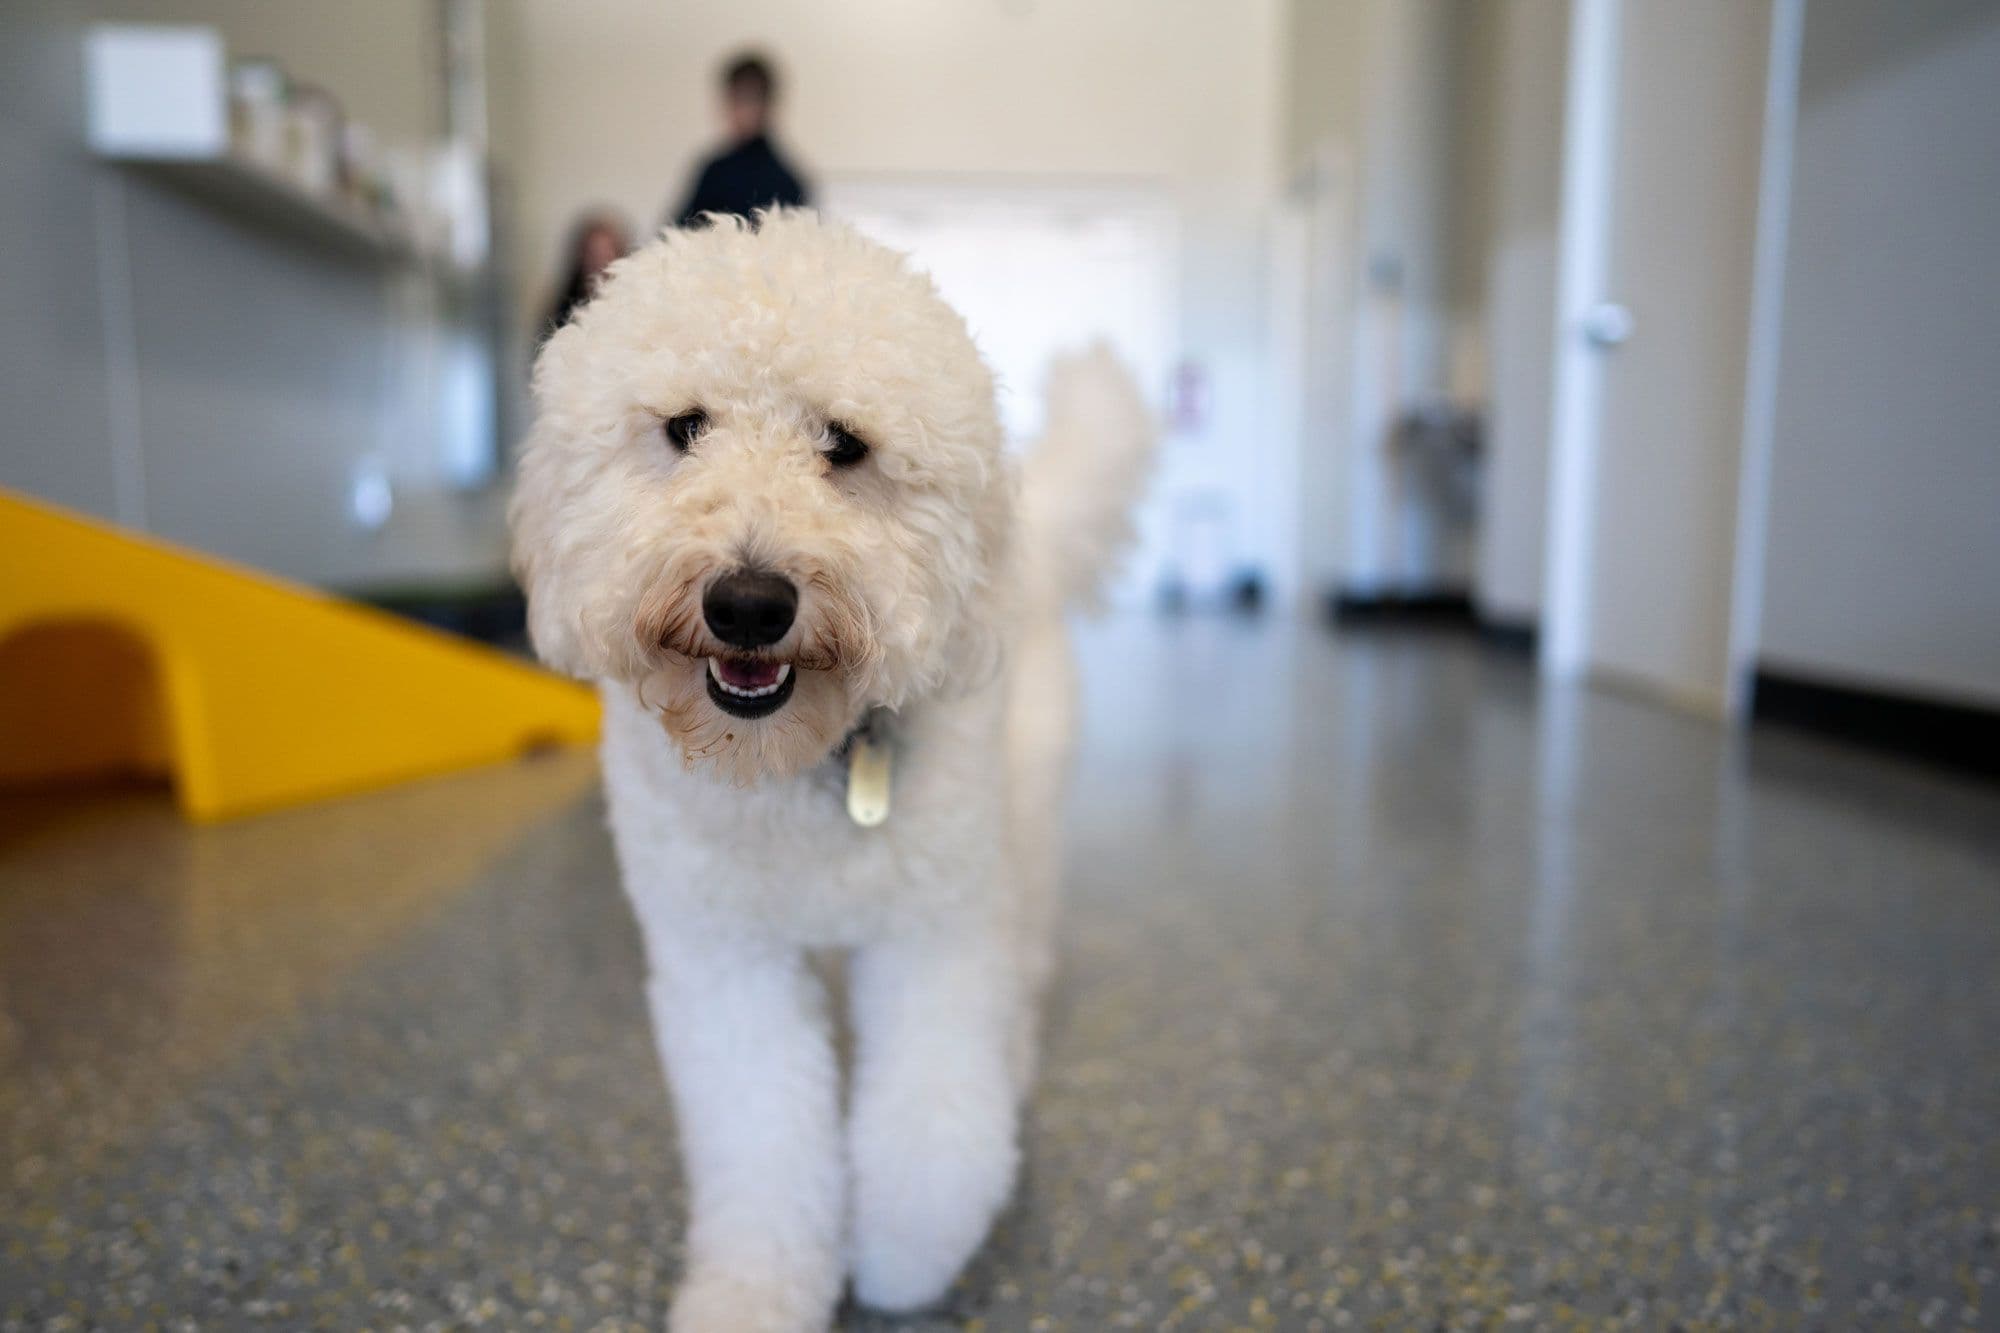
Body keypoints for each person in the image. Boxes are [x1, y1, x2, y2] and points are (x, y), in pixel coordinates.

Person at [670, 52, 810, 227]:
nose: (740, 110)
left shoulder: (787, 181)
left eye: (748, 99)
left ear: (767, 104)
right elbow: (679, 233)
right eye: (734, 100)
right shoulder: (714, 172)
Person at [543, 211, 631, 335]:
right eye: (593, 253)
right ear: (581, 256)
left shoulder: (629, 303)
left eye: (605, 253)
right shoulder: (560, 307)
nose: (599, 261)